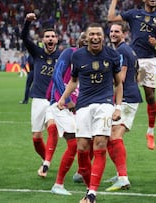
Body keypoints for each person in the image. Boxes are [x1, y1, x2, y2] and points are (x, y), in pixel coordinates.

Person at [57, 22, 123, 203]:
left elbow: (118, 83)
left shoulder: (112, 55)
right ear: (86, 38)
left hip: (105, 105)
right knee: (82, 149)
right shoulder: (77, 56)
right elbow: (74, 80)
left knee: (100, 144)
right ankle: (89, 187)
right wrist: (63, 98)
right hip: (83, 106)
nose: (95, 37)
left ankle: (92, 194)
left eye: (98, 34)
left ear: (103, 37)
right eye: (92, 34)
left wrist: (118, 107)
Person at [108, 0, 156, 150]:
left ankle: (150, 132)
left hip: (148, 61)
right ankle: (117, 117)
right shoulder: (134, 14)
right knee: (124, 86)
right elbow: (111, 18)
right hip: (133, 58)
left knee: (150, 96)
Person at [21, 13, 60, 178]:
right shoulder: (37, 53)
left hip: (54, 100)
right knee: (37, 138)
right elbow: (23, 37)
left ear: (57, 39)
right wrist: (27, 22)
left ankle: (46, 164)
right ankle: (46, 159)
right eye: (47, 37)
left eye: (52, 36)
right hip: (38, 98)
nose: (50, 39)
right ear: (43, 40)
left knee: (52, 128)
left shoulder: (63, 56)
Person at [104, 22, 142, 192]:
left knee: (114, 136)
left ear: (124, 34)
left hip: (126, 97)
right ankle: (120, 174)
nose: (113, 34)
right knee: (110, 137)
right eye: (111, 31)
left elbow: (121, 78)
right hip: (129, 95)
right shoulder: (128, 50)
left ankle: (123, 178)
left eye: (117, 31)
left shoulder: (121, 51)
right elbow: (138, 72)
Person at [49, 32, 87, 196]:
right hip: (61, 104)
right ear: (78, 41)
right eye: (84, 38)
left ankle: (82, 174)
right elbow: (56, 74)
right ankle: (58, 184)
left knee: (88, 141)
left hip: (79, 107)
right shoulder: (69, 53)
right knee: (73, 144)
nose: (87, 41)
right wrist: (66, 99)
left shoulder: (91, 60)